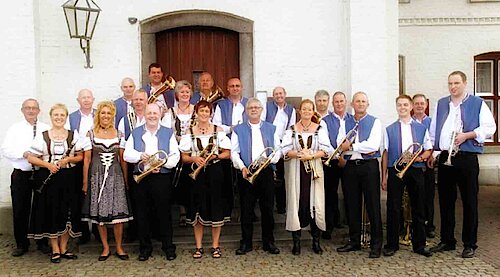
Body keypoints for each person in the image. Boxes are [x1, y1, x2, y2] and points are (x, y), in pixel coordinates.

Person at [428, 71, 496, 258]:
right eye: (450, 83)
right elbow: (434, 131)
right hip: (445, 157)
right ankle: (447, 240)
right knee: (445, 201)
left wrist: (467, 135)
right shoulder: (441, 103)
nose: (453, 86)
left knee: (469, 201)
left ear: (465, 83)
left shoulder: (477, 103)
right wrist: (434, 152)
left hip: (466, 157)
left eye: (457, 83)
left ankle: (470, 243)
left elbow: (490, 128)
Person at [26, 103, 83, 263]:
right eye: (56, 115)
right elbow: (30, 157)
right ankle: (55, 248)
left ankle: (64, 247)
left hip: (68, 177)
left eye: (62, 115)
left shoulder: (73, 134)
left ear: (66, 118)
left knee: (67, 211)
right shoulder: (43, 135)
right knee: (52, 211)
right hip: (48, 177)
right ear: (51, 117)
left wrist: (69, 159)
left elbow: (80, 156)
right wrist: (48, 165)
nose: (59, 118)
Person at [124, 103, 180, 261]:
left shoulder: (168, 132)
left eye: (155, 113)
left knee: (164, 213)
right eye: (149, 113)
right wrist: (140, 156)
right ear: (145, 114)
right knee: (142, 214)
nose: (152, 116)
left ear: (160, 114)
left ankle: (168, 247)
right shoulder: (135, 133)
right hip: (141, 179)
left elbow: (175, 155)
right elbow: (127, 155)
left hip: (161, 177)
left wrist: (161, 163)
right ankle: (145, 248)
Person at [381, 95, 433, 257]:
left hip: (415, 169)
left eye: (405, 105)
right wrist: (384, 176)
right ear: (396, 107)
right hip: (396, 169)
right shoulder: (389, 129)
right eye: (399, 105)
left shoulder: (421, 128)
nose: (402, 107)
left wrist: (419, 158)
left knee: (418, 207)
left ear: (410, 107)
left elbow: (428, 149)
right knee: (393, 207)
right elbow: (385, 154)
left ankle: (419, 245)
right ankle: (392, 244)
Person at [81, 101, 133, 261]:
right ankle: (105, 247)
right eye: (103, 113)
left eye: (108, 113)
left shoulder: (119, 134)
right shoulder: (90, 134)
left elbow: (123, 159)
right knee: (100, 215)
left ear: (113, 116)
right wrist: (85, 182)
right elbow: (87, 160)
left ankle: (118, 246)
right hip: (97, 176)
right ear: (98, 115)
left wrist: (125, 179)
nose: (105, 116)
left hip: (115, 176)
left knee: (118, 214)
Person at [179, 100, 231, 258]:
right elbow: (184, 157)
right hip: (197, 174)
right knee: (197, 209)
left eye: (207, 111)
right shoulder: (189, 132)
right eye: (201, 111)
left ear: (210, 114)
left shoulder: (218, 130)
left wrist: (215, 155)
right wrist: (194, 159)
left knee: (215, 207)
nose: (204, 114)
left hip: (215, 172)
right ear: (196, 112)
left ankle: (215, 245)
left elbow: (227, 153)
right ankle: (199, 246)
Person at [0, 99, 51, 256]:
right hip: (22, 173)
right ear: (22, 110)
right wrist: (23, 153)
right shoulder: (15, 129)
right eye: (27, 108)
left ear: (38, 110)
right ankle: (22, 243)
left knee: (42, 207)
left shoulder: (46, 128)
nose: (31, 111)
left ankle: (42, 241)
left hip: (40, 173)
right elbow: (6, 149)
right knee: (20, 209)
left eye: (34, 108)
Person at [282, 99, 332, 255]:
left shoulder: (320, 129)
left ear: (313, 111)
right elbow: (284, 149)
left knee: (315, 203)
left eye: (310, 110)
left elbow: (327, 150)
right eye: (304, 109)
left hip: (314, 171)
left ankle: (316, 241)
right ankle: (296, 242)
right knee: (296, 202)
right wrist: (298, 154)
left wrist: (311, 156)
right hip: (296, 170)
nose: (306, 112)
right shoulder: (291, 130)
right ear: (299, 111)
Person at [231, 98, 281, 255]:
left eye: (256, 107)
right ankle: (246, 243)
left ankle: (269, 242)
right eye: (251, 108)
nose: (253, 110)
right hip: (247, 172)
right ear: (246, 111)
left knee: (267, 209)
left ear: (261, 110)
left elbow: (278, 150)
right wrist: (242, 167)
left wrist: (270, 160)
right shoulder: (238, 130)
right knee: (246, 210)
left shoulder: (271, 128)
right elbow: (234, 152)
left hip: (265, 171)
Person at [336, 92, 383, 259]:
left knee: (373, 205)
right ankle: (354, 240)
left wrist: (353, 146)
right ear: (352, 104)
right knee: (352, 205)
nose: (360, 104)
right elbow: (340, 143)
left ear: (367, 104)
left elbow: (373, 145)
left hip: (369, 166)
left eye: (363, 101)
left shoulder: (375, 121)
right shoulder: (345, 122)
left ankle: (376, 244)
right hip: (350, 167)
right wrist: (348, 147)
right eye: (357, 101)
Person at [213, 77, 248, 220]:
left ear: (241, 88)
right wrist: (231, 128)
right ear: (227, 88)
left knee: (244, 177)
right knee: (228, 178)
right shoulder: (221, 105)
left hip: (245, 142)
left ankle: (246, 211)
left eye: (237, 86)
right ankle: (228, 210)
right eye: (232, 86)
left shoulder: (248, 103)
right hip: (226, 143)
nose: (235, 88)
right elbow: (217, 125)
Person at [161, 80, 195, 226]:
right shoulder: (170, 112)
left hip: (193, 151)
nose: (185, 94)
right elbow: (164, 131)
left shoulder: (197, 110)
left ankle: (193, 212)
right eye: (182, 92)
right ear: (177, 95)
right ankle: (182, 212)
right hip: (176, 150)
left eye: (187, 92)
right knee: (180, 183)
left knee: (193, 181)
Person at [320, 91, 352, 240]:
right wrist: (338, 157)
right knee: (330, 194)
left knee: (350, 193)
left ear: (346, 102)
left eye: (341, 101)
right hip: (332, 161)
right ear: (333, 104)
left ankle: (351, 226)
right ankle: (328, 227)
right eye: (336, 102)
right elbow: (325, 143)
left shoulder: (353, 120)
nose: (339, 104)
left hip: (351, 161)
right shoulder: (325, 120)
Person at [67, 88, 97, 244]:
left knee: (98, 195)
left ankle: (99, 232)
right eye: (83, 98)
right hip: (79, 159)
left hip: (98, 158)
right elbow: (68, 136)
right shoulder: (71, 117)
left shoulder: (100, 114)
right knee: (80, 196)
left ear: (93, 99)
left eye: (88, 97)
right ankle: (83, 232)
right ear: (78, 100)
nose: (86, 100)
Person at [261, 86, 296, 214]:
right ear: (273, 96)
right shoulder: (267, 106)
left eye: (281, 93)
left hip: (284, 143)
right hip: (269, 143)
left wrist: (285, 146)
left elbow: (291, 128)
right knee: (270, 174)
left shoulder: (291, 109)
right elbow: (263, 124)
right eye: (276, 94)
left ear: (285, 94)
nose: (279, 96)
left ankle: (281, 206)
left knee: (281, 175)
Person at [412, 93, 436, 238]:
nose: (419, 106)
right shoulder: (408, 122)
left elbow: (435, 141)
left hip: (427, 163)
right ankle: (410, 224)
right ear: (412, 106)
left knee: (428, 195)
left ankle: (429, 225)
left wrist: (431, 155)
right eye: (416, 103)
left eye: (422, 103)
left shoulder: (432, 122)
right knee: (411, 195)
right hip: (412, 164)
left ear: (426, 105)